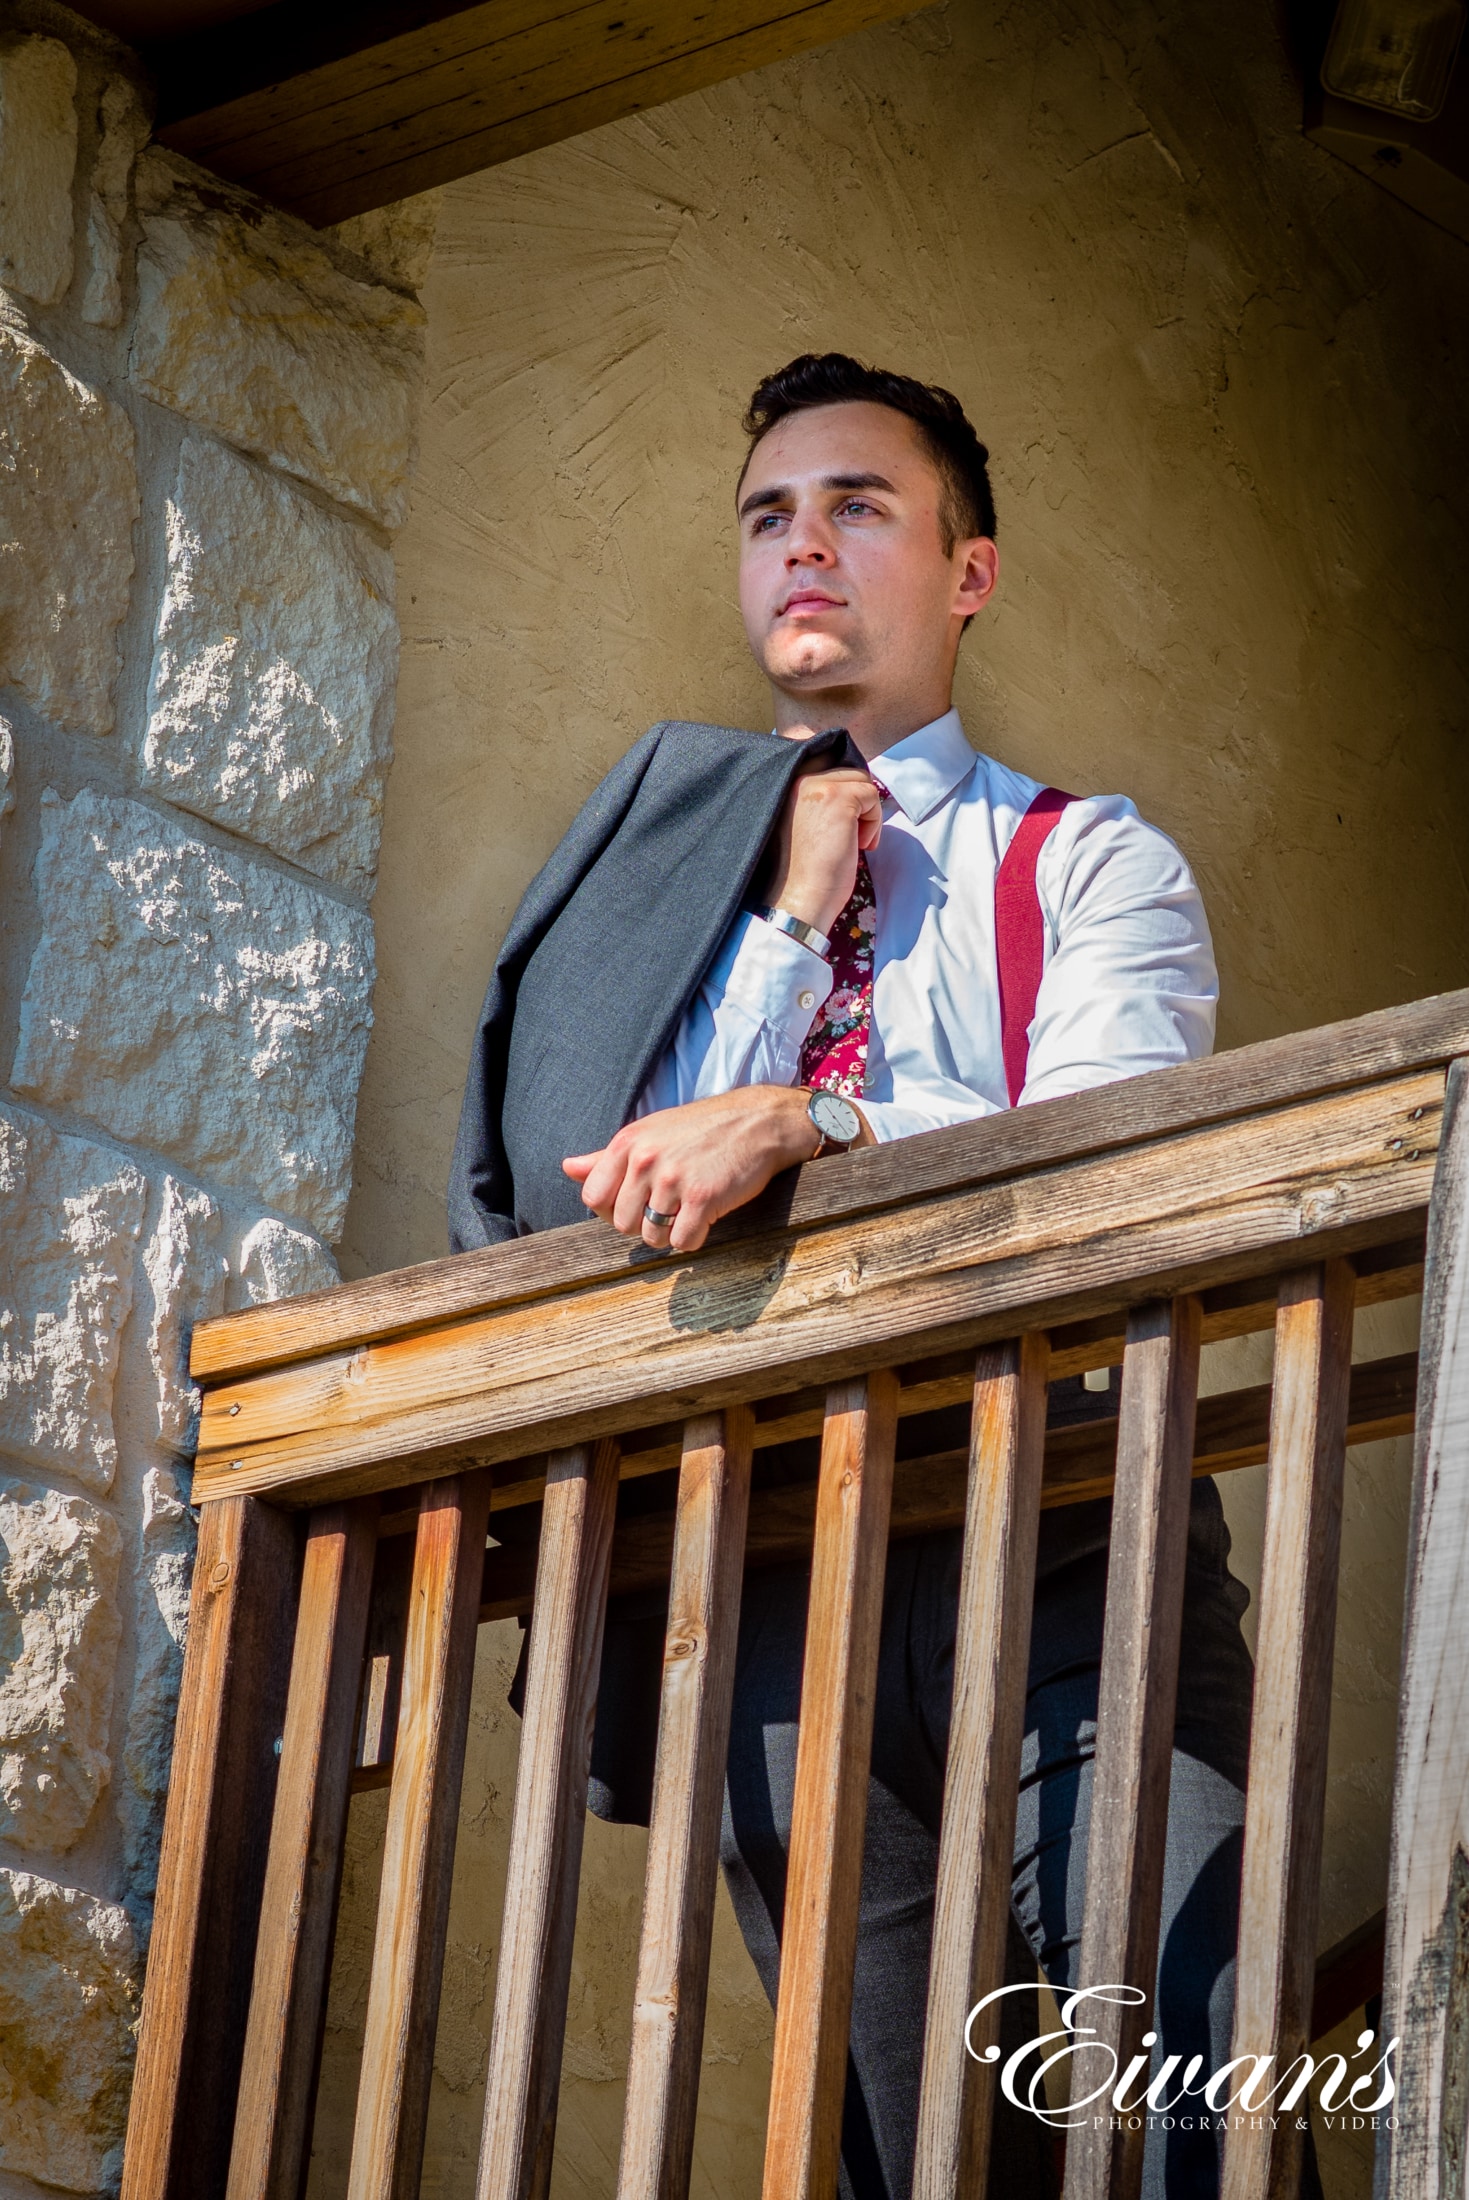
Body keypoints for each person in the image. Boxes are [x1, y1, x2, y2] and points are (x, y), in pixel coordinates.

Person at [449, 354, 1289, 2200]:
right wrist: (778, 931)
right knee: (912, 2151)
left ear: (966, 573)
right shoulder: (655, 895)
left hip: (1074, 1529)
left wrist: (809, 1127)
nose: (801, 547)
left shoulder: (1092, 864)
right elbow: (598, 1197)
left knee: (1181, 2100)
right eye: (767, 515)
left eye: (856, 507)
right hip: (773, 1590)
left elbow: (1094, 1166)